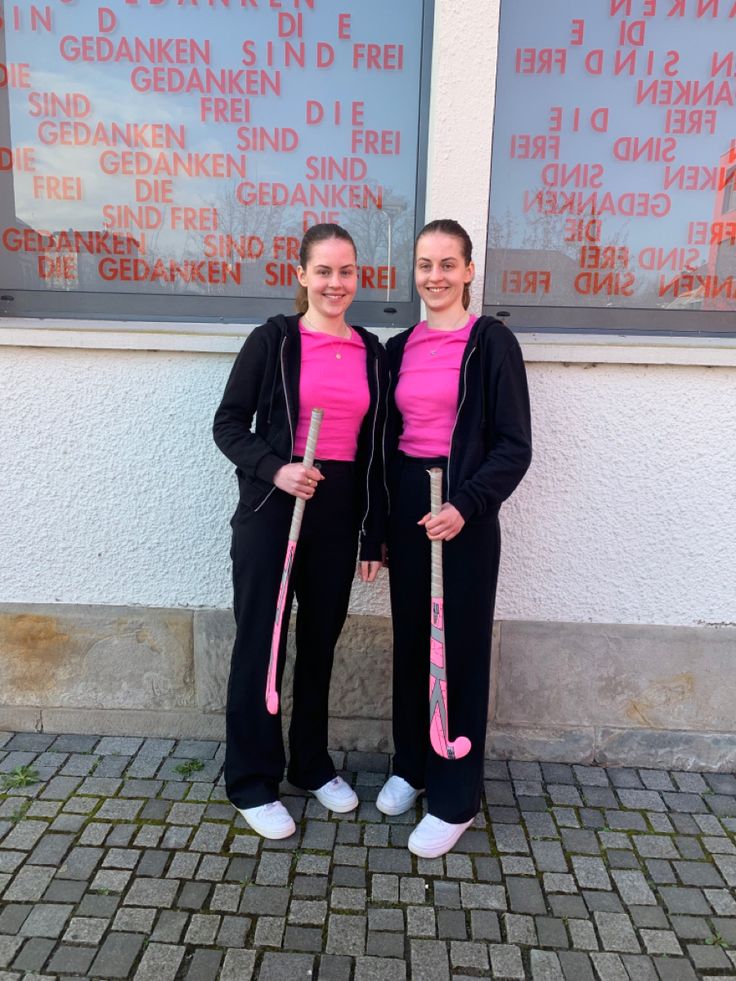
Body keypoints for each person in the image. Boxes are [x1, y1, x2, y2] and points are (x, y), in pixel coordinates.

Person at [213, 223, 387, 839]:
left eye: (346, 272)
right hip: (274, 507)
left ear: (356, 278)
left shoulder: (372, 349)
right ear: (302, 275)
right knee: (262, 642)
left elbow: (378, 453)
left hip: (338, 511)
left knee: (320, 642)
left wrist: (373, 535)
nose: (335, 283)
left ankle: (310, 763)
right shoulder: (275, 340)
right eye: (323, 272)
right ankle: (252, 781)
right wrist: (277, 469)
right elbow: (229, 425)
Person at [377, 219, 532, 858]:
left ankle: (455, 795)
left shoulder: (491, 342)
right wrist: (381, 526)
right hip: (412, 504)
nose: (434, 276)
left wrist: (466, 507)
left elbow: (513, 448)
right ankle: (413, 764)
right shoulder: (398, 347)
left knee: (458, 650)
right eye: (424, 264)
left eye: (447, 264)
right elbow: (384, 445)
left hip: (464, 511)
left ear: (469, 271)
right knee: (413, 641)